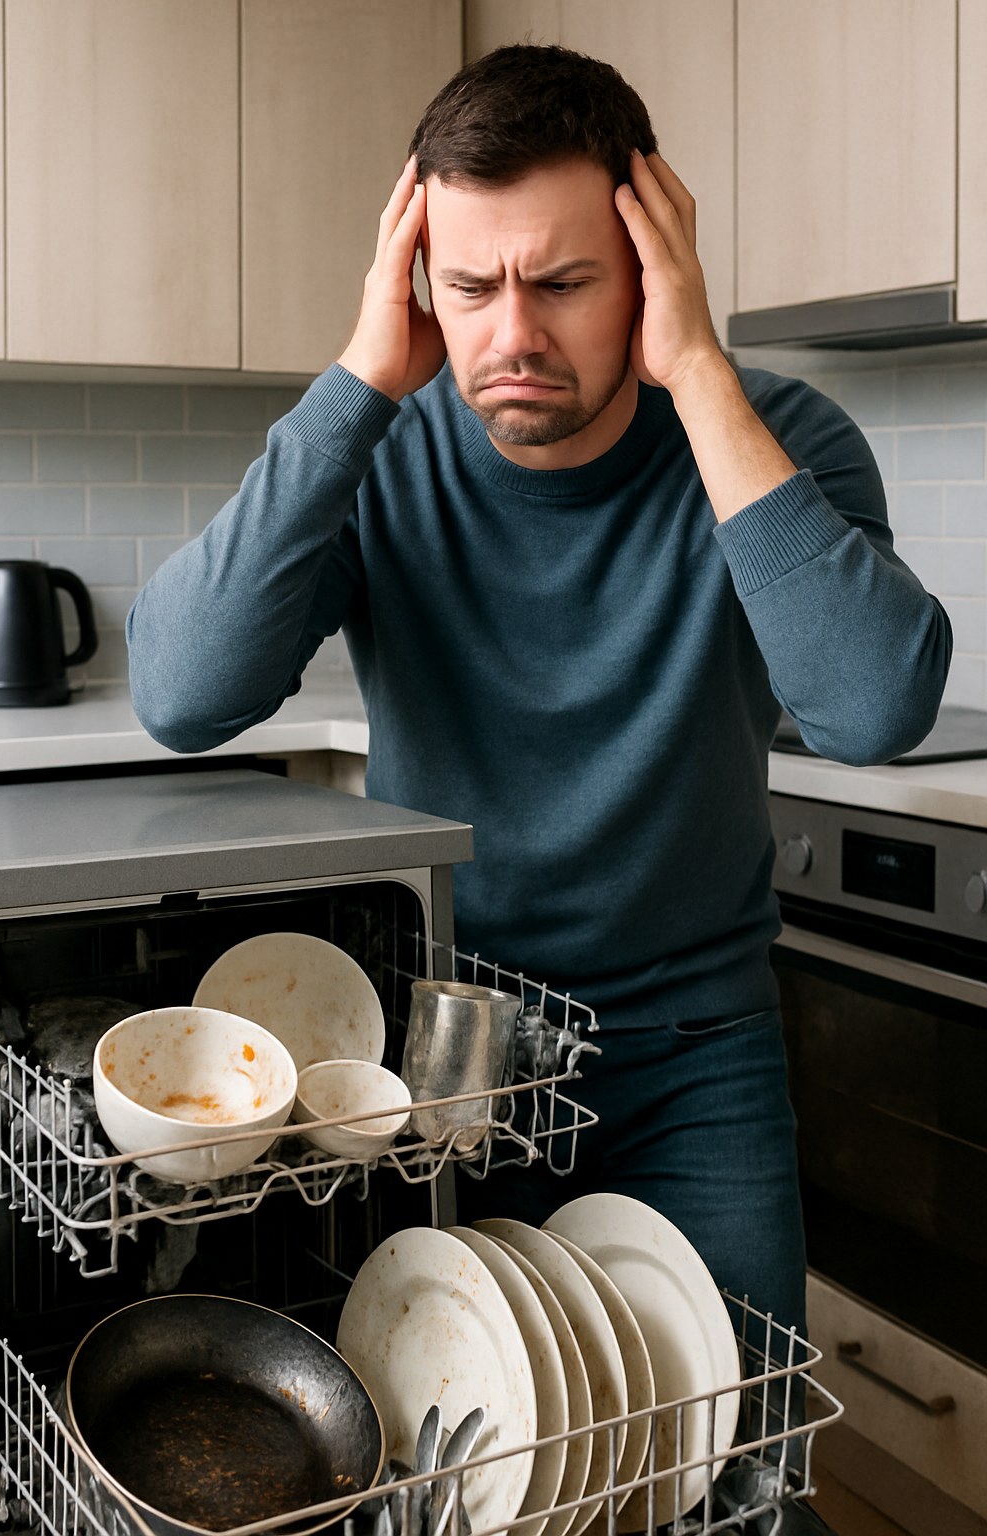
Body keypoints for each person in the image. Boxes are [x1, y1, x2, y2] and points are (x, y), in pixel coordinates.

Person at [128, 44, 949, 1374]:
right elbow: (180, 695)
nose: (511, 334)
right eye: (469, 286)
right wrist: (356, 384)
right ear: (419, 284)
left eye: (564, 283)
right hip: (458, 1052)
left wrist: (701, 375)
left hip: (702, 1055)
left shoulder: (771, 438)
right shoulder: (383, 453)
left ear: (650, 265)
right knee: (480, 1464)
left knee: (742, 1462)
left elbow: (871, 712)